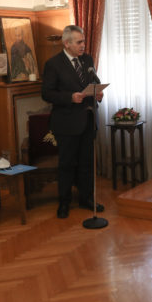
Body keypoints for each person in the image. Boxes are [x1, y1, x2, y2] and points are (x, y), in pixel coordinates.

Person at [41, 25, 104, 219]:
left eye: (83, 41)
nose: (83, 45)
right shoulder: (53, 64)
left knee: (87, 163)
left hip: (88, 119)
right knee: (67, 164)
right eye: (79, 42)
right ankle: (64, 202)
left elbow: (93, 82)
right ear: (67, 43)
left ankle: (86, 198)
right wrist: (70, 97)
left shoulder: (87, 60)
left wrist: (97, 93)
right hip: (66, 123)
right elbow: (47, 93)